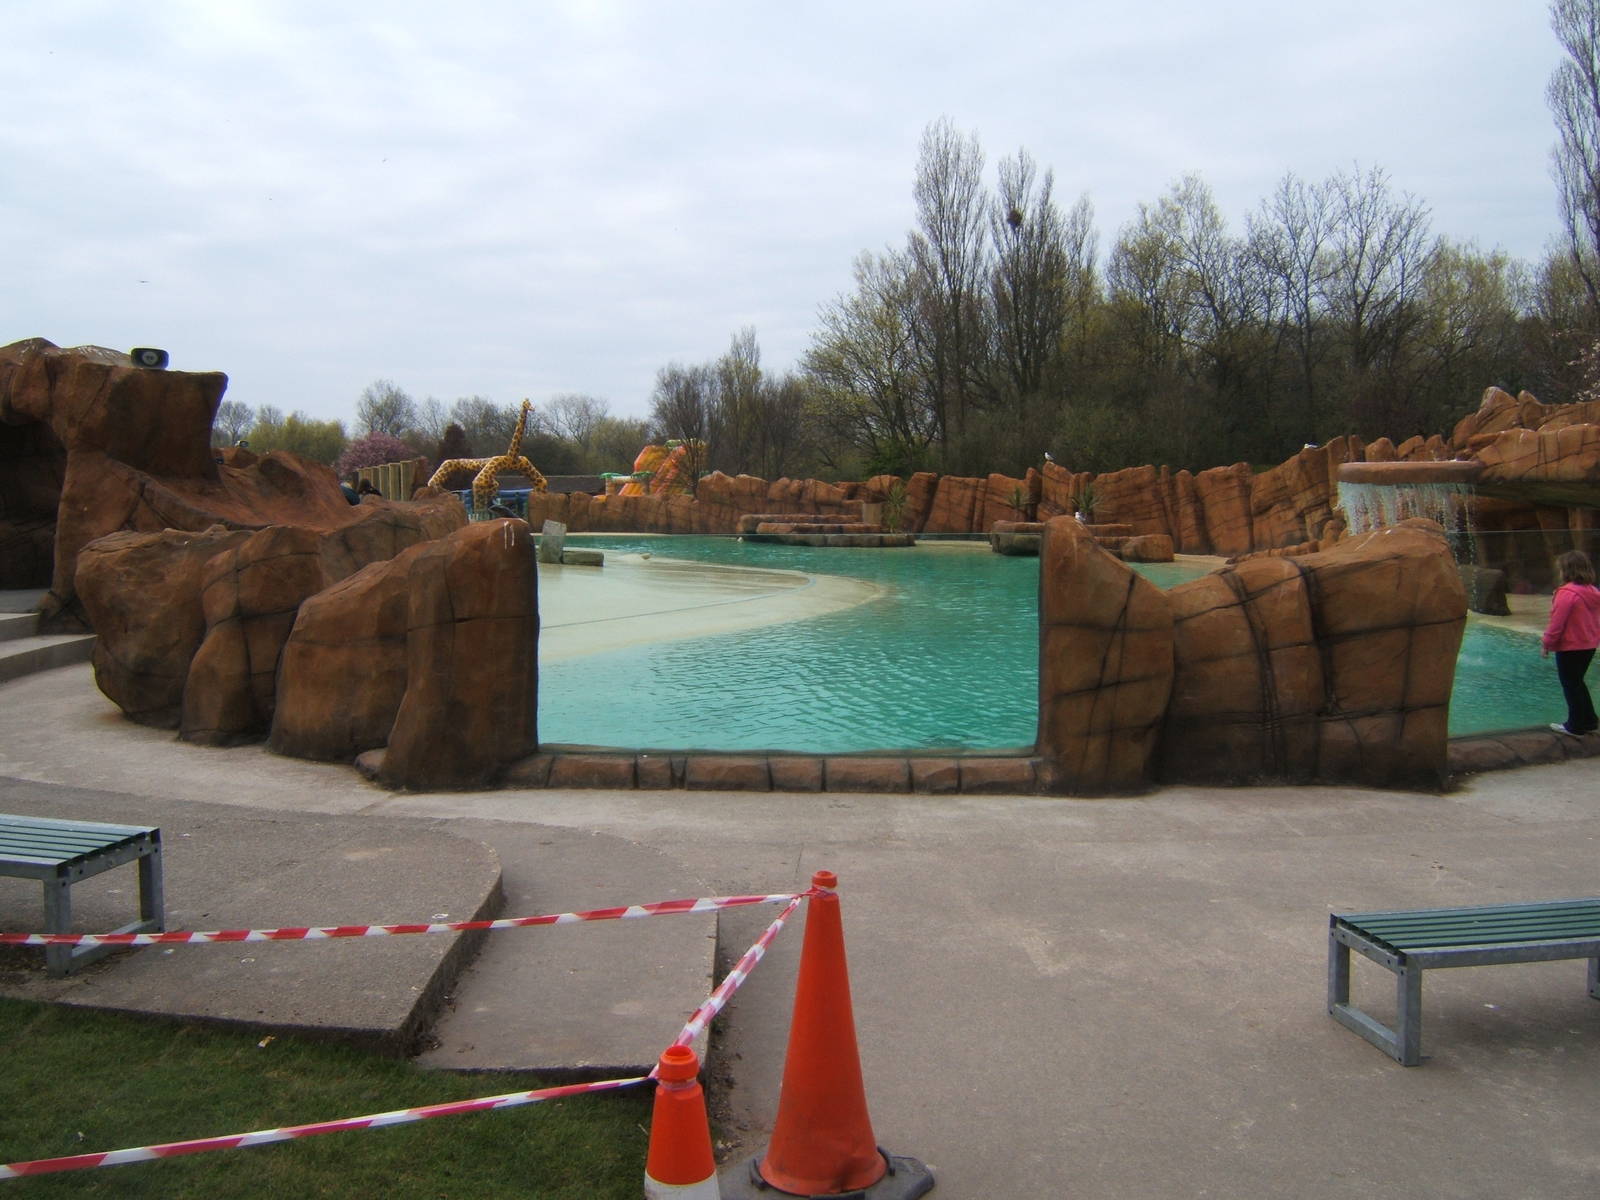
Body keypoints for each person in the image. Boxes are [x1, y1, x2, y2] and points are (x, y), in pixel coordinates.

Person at [1541, 549, 1600, 735]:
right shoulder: (1592, 591)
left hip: (1570, 646)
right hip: (1588, 644)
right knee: (1577, 682)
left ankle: (1575, 725)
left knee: (1570, 684)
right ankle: (1589, 720)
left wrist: (1547, 643)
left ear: (1566, 570)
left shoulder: (1566, 593)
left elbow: (1557, 623)